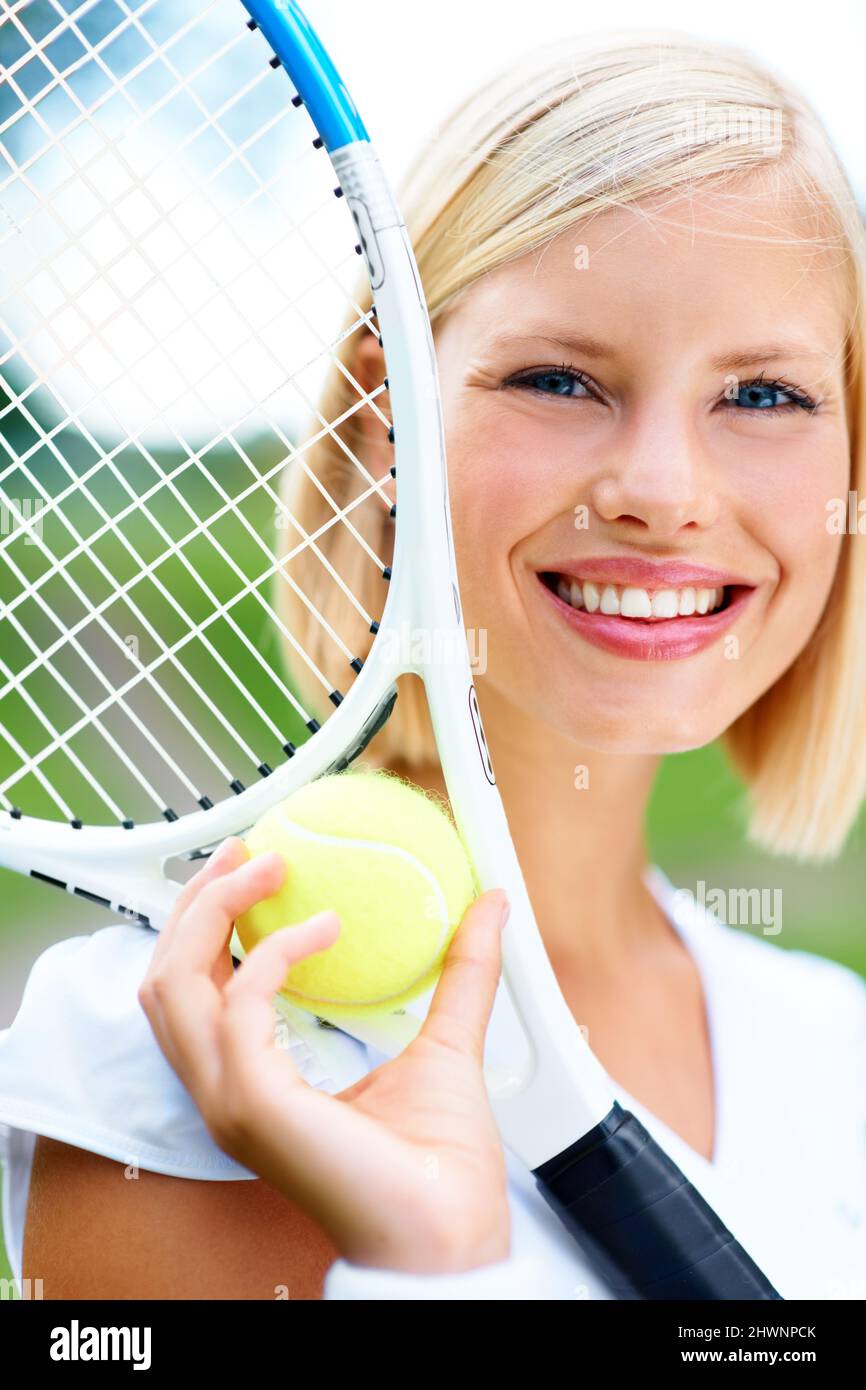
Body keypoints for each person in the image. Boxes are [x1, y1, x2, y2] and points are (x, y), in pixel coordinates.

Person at [2, 28, 866, 1301]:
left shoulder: (834, 1045)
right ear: (384, 422)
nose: (662, 494)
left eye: (764, 397)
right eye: (559, 379)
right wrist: (421, 1264)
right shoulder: (177, 1045)